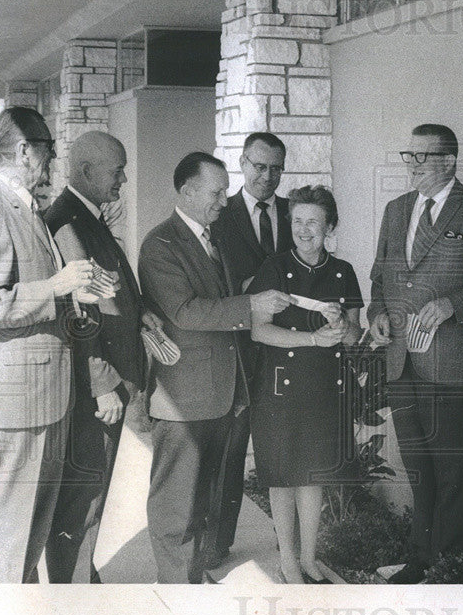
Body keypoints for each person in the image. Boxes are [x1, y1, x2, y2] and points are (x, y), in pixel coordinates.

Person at [368, 123, 463, 584]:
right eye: (407, 156)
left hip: (454, 364)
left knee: (453, 473)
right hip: (401, 360)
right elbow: (379, 278)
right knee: (419, 469)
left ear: (449, 161)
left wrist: (452, 304)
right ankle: (420, 559)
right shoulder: (396, 211)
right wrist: (377, 313)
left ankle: (447, 570)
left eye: (421, 158)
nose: (411, 166)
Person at [137, 152, 291, 583]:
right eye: (216, 191)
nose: (225, 200)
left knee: (205, 493)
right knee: (176, 501)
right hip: (184, 395)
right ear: (186, 191)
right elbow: (184, 312)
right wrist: (251, 306)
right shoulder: (160, 244)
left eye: (225, 190)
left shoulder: (213, 236)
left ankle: (195, 573)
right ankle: (178, 587)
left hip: (223, 389)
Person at [0, 107, 97, 582]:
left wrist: (72, 294)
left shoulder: (25, 205)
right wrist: (55, 287)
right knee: (4, 542)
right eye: (47, 146)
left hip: (41, 400)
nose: (52, 157)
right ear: (25, 150)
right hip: (16, 407)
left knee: (27, 540)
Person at [43, 130, 163, 583]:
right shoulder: (69, 221)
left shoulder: (85, 215)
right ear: (88, 171)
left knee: (91, 494)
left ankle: (79, 581)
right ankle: (74, 600)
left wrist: (139, 313)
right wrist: (101, 380)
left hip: (109, 378)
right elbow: (80, 309)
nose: (125, 179)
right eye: (117, 170)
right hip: (100, 385)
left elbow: (107, 294)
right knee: (86, 497)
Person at [247, 185, 362, 584]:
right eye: (297, 221)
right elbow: (260, 332)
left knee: (312, 475)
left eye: (313, 221)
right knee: (282, 476)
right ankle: (288, 561)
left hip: (324, 386)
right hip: (279, 387)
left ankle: (310, 558)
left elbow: (353, 336)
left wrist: (340, 324)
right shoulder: (274, 268)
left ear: (329, 225)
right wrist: (312, 339)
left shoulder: (343, 271)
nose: (303, 229)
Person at [205, 132, 293, 569]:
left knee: (284, 450)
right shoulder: (222, 216)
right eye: (260, 166)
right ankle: (216, 544)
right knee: (231, 451)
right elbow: (216, 285)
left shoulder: (296, 214)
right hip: (238, 350)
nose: (268, 176)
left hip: (286, 350)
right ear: (242, 163)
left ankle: (290, 545)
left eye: (276, 168)